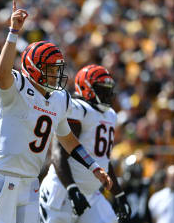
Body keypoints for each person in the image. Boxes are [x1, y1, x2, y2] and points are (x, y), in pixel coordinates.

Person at [0, 1, 112, 223]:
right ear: (34, 68)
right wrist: (13, 32)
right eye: (52, 70)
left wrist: (93, 166)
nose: (56, 75)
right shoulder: (17, 89)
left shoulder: (59, 99)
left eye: (58, 69)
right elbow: (3, 72)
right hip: (4, 177)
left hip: (31, 182)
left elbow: (68, 139)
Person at [39, 64, 131, 223]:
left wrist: (119, 194)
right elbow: (58, 153)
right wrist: (71, 188)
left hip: (91, 193)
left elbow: (103, 161)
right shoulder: (78, 109)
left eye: (109, 90)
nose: (107, 95)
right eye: (102, 90)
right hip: (61, 191)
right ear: (85, 88)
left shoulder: (110, 116)